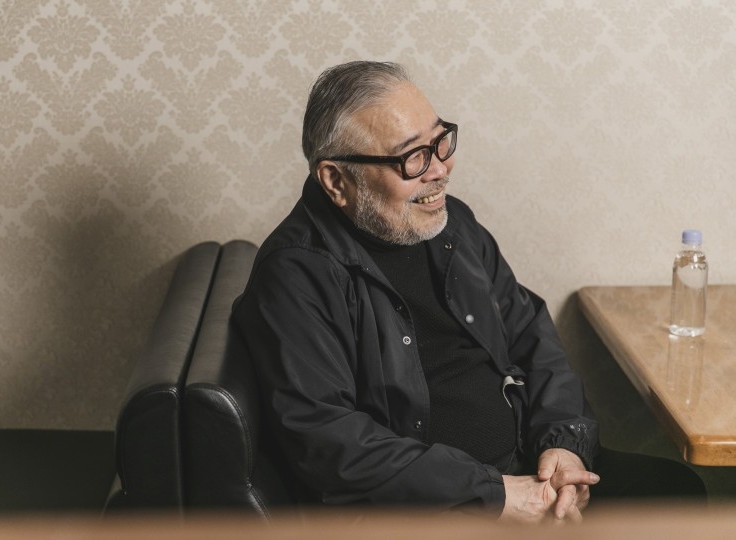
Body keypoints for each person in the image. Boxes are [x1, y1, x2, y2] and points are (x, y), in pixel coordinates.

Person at [231, 61, 705, 523]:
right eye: (412, 157)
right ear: (337, 181)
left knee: (677, 494)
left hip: (526, 467)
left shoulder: (450, 221)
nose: (439, 169)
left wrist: (563, 446)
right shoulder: (295, 274)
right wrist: (494, 496)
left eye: (440, 141)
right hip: (435, 509)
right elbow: (329, 442)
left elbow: (531, 335)